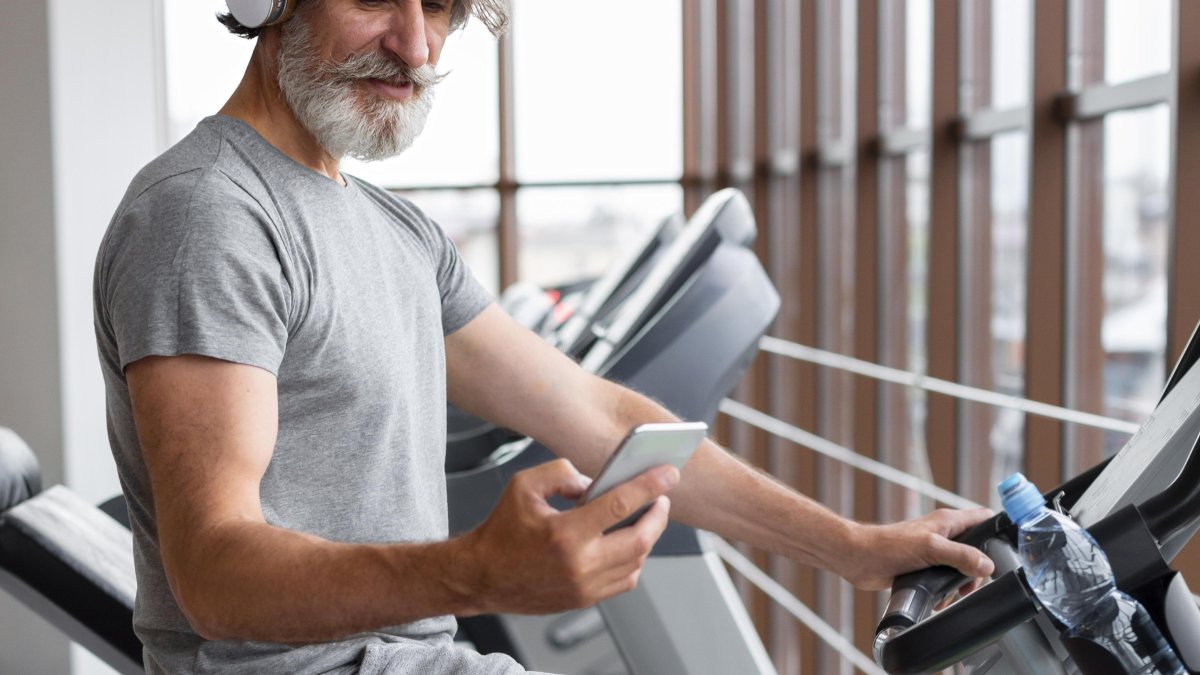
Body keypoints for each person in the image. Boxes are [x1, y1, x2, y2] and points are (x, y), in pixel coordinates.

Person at [93, 1, 995, 673]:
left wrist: (855, 548)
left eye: (438, 6)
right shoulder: (208, 215)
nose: (415, 45)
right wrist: (475, 572)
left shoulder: (396, 232)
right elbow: (213, 576)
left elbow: (603, 418)